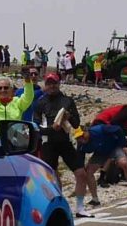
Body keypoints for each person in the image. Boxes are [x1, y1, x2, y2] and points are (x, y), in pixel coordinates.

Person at [29, 72, 89, 202]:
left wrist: (69, 116)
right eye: (49, 83)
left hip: (65, 142)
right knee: (53, 177)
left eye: (54, 83)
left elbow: (77, 123)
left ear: (59, 83)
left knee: (81, 174)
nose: (52, 86)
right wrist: (52, 129)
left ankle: (80, 207)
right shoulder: (40, 103)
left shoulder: (68, 101)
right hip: (48, 144)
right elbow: (36, 128)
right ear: (45, 85)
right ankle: (58, 204)